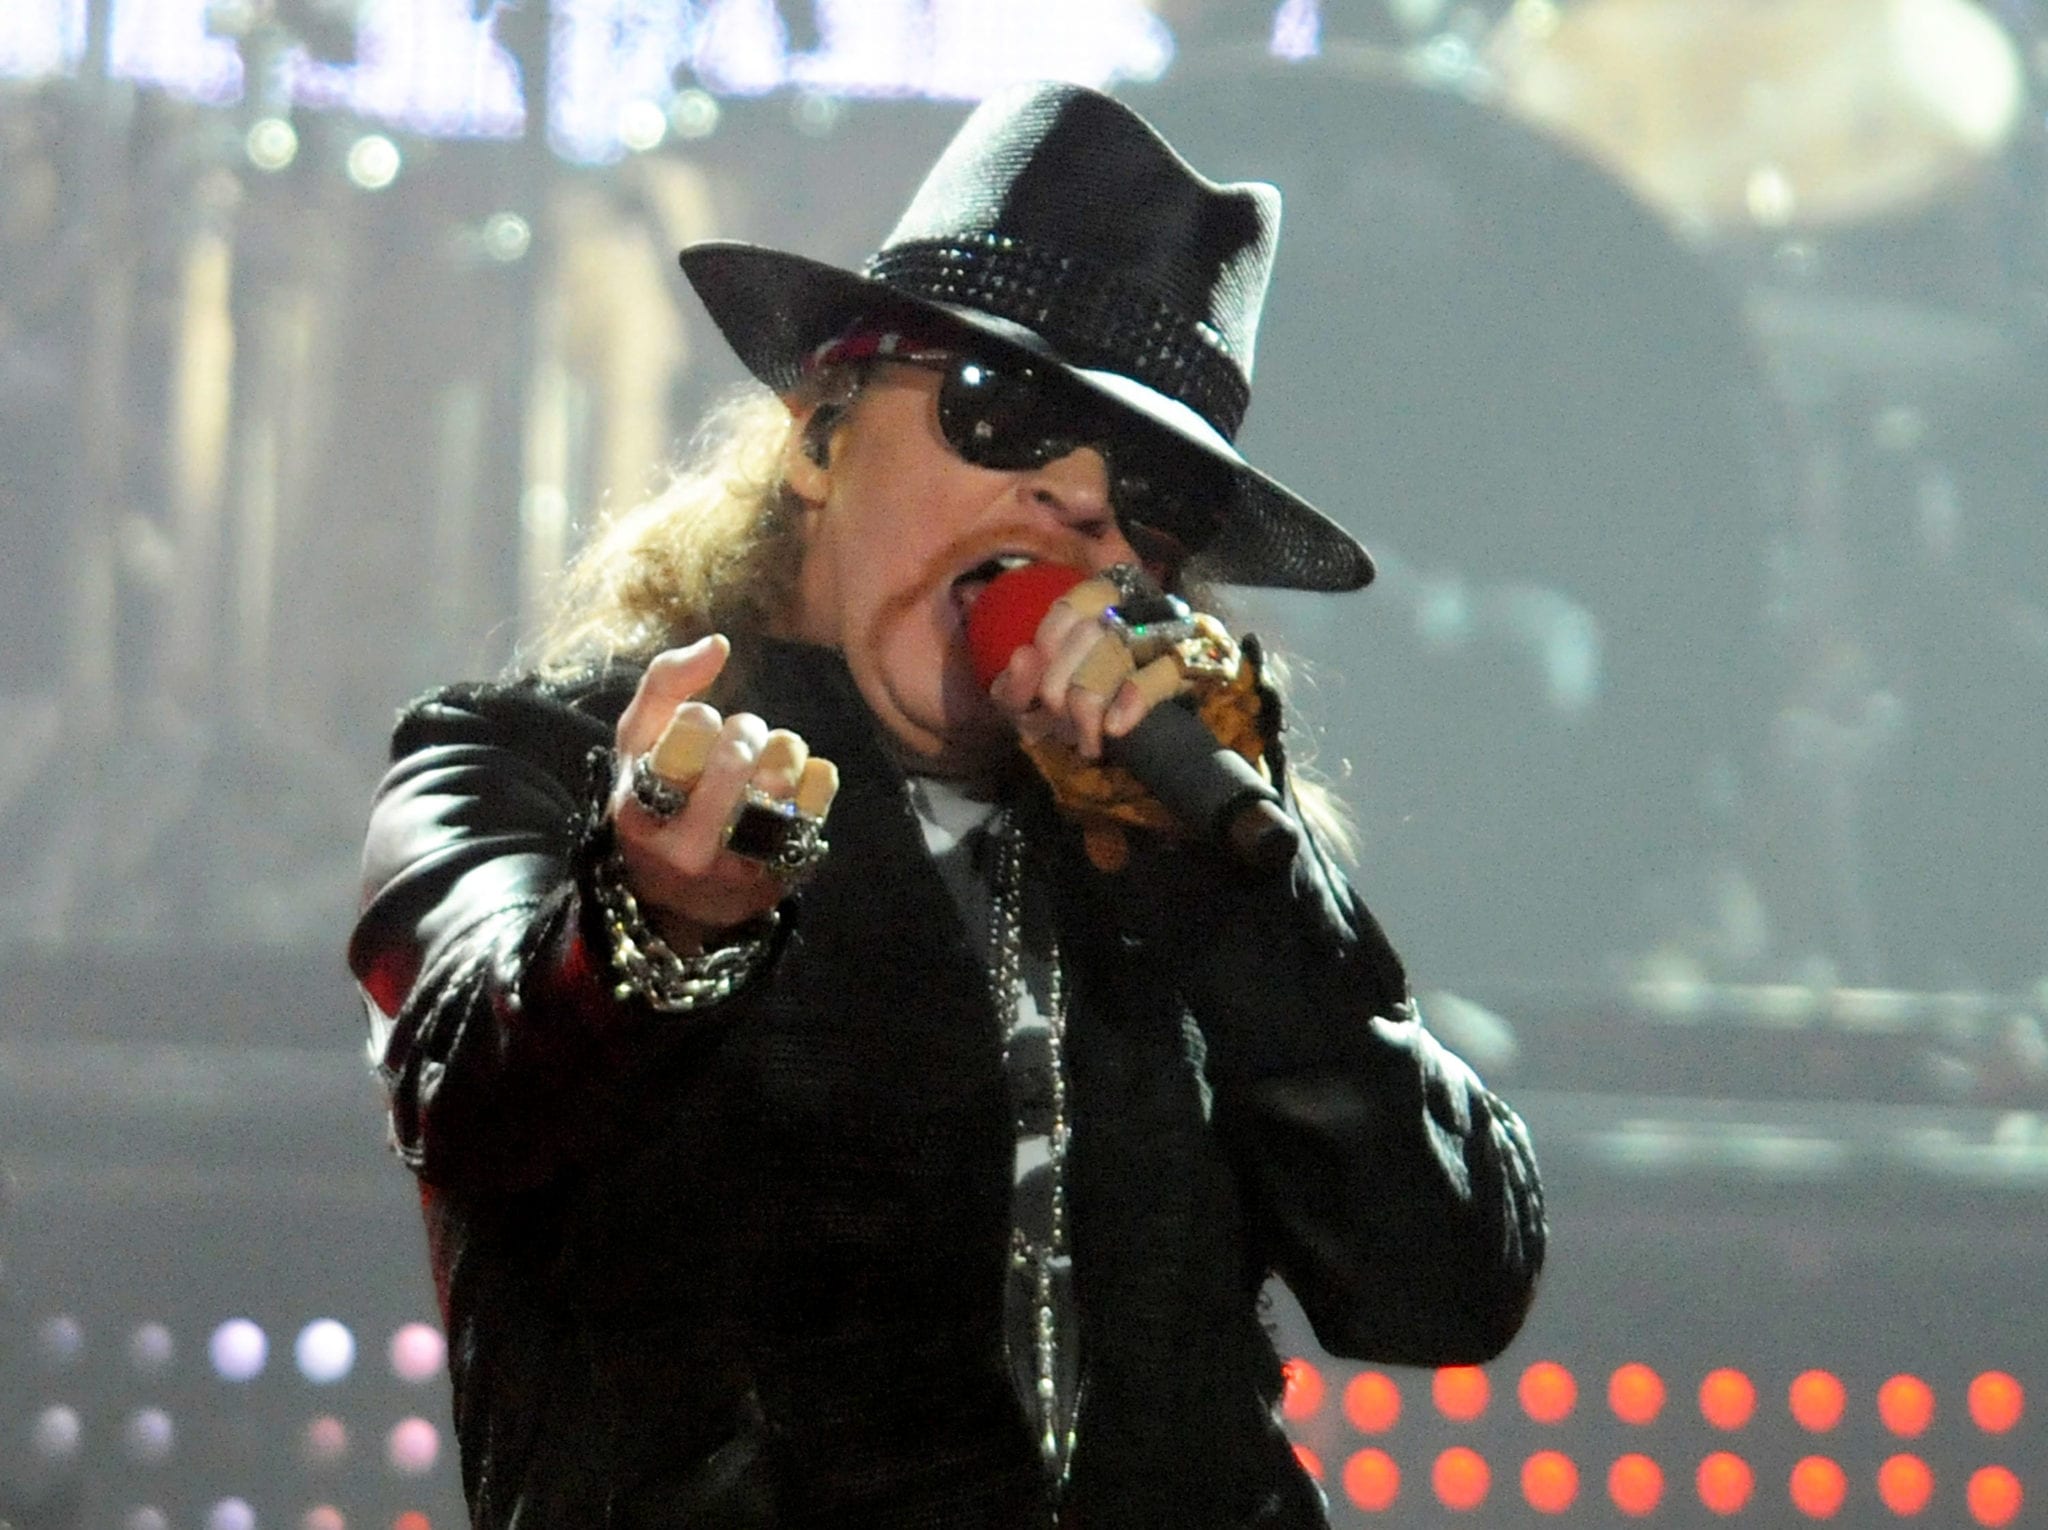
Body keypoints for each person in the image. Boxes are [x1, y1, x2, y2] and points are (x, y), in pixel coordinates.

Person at [349, 81, 1545, 1530]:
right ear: (819, 432)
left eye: (1153, 491)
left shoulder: (1182, 849)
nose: (1083, 504)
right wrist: (647, 926)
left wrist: (1245, 905)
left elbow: (1443, 1283)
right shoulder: (532, 762)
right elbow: (473, 1101)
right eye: (1002, 410)